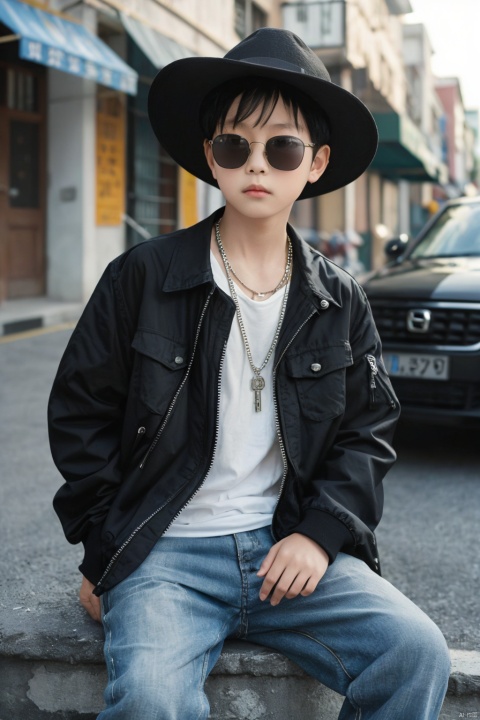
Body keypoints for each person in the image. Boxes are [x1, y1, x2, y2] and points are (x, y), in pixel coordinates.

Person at [48, 27, 450, 720]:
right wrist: (107, 550)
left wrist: (320, 534)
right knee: (148, 700)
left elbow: (369, 431)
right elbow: (79, 415)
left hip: (288, 551)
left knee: (416, 652)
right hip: (164, 555)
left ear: (315, 162)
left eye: (283, 147)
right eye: (236, 145)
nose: (257, 165)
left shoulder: (339, 297)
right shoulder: (142, 277)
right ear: (211, 156)